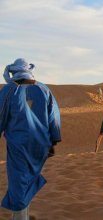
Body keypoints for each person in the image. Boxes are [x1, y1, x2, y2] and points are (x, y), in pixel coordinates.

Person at [0, 58, 61, 219]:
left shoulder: (8, 90)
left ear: (15, 72)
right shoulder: (43, 89)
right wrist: (53, 142)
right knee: (26, 179)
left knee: (18, 182)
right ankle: (23, 216)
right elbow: (53, 118)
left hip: (18, 146)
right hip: (40, 146)